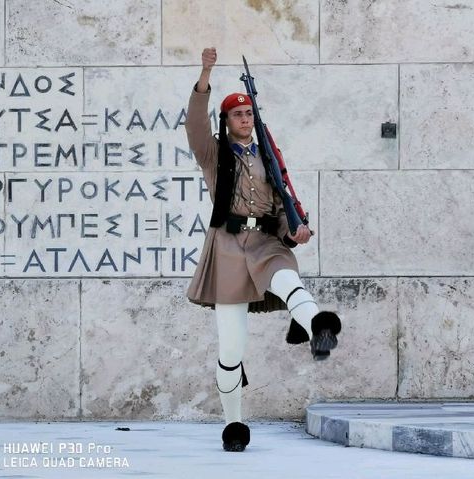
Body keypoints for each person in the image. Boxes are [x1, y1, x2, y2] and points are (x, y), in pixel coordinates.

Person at [184, 47, 342, 452]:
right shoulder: (214, 153)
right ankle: (234, 424)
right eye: (238, 114)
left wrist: (296, 230)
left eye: (249, 114)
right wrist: (205, 73)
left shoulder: (267, 159)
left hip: (267, 244)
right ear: (227, 120)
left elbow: (281, 205)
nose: (245, 119)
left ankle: (319, 327)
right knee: (231, 349)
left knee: (290, 281)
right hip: (229, 251)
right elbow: (195, 125)